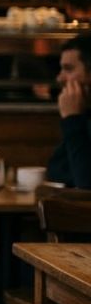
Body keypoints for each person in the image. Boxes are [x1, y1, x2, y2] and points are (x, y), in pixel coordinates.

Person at [47, 33, 91, 189]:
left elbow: (86, 187)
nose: (60, 78)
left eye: (68, 69)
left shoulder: (77, 119)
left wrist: (72, 119)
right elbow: (56, 170)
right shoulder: (85, 115)